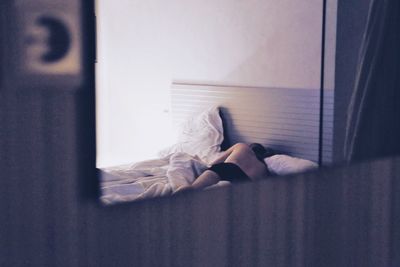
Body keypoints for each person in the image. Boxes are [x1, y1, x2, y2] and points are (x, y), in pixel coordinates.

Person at [174, 143, 275, 194]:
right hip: (244, 181)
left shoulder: (242, 146)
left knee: (193, 189)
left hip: (228, 168)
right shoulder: (263, 168)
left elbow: (217, 161)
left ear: (251, 146)